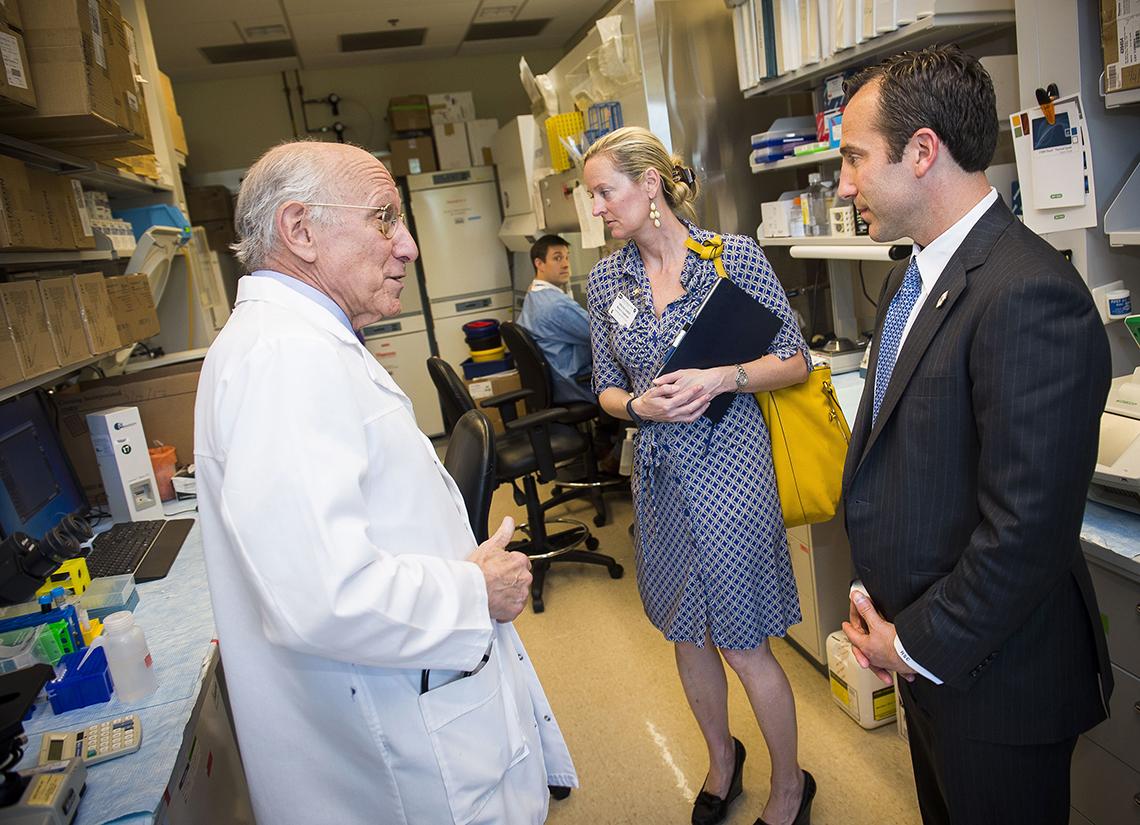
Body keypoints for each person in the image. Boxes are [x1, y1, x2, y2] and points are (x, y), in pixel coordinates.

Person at [194, 141, 576, 825]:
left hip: (411, 703)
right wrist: (473, 590)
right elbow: (321, 595)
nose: (408, 246)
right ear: (300, 230)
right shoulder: (285, 357)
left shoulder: (302, 342)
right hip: (397, 750)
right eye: (382, 219)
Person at [836, 46, 1113, 825]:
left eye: (856, 159)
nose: (845, 183)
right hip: (926, 662)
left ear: (922, 151)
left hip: (996, 682)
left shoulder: (1029, 295)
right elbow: (908, 461)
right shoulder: (909, 276)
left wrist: (911, 643)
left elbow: (1025, 535)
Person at [583, 126, 815, 825]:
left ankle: (789, 786)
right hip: (658, 475)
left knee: (744, 642)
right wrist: (636, 404)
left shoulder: (729, 257)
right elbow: (601, 386)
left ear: (649, 184)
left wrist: (723, 376)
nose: (596, 208)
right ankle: (722, 759)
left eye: (604, 191)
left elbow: (796, 357)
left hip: (732, 471)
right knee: (687, 633)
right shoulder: (605, 280)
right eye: (590, 195)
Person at [517, 234, 595, 404]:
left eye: (567, 257)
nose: (566, 264)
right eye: (557, 258)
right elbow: (598, 334)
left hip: (555, 383)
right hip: (573, 385)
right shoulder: (556, 305)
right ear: (539, 264)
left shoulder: (533, 295)